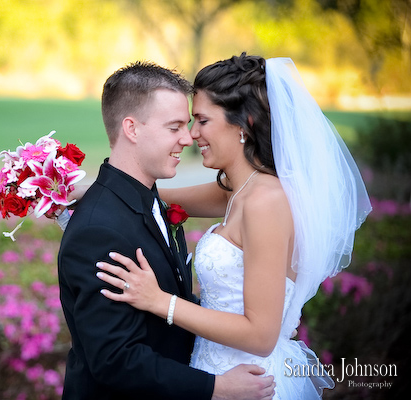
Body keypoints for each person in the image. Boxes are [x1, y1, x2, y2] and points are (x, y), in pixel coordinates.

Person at [95, 54, 372, 399]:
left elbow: (260, 335)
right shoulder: (239, 190)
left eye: (202, 120)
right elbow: (158, 194)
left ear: (244, 123)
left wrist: (159, 301)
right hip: (213, 369)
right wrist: (89, 189)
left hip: (248, 382)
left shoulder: (265, 202)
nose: (192, 134)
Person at [57, 61, 276, 399]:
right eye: (175, 127)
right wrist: (215, 388)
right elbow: (114, 359)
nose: (188, 138)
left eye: (193, 124)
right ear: (132, 128)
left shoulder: (148, 199)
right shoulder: (98, 229)